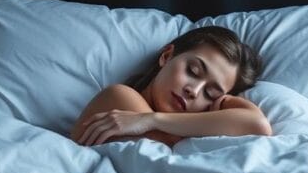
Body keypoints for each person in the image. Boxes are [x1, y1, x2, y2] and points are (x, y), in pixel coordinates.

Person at [71, 26, 272, 147]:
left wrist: (151, 120)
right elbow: (171, 153)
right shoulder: (119, 96)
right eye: (192, 71)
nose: (193, 91)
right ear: (166, 56)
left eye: (210, 93)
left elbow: (258, 124)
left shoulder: (152, 122)